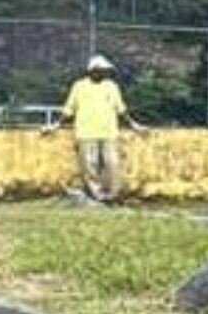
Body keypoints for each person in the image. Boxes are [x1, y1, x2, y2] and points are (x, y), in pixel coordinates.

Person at [41, 55, 146, 204]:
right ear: (92, 71)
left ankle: (113, 195)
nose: (104, 73)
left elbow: (121, 109)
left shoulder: (111, 86)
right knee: (89, 165)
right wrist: (55, 125)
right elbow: (69, 110)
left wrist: (133, 124)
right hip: (86, 132)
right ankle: (96, 195)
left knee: (112, 163)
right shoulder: (79, 86)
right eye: (101, 70)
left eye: (105, 71)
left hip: (109, 132)